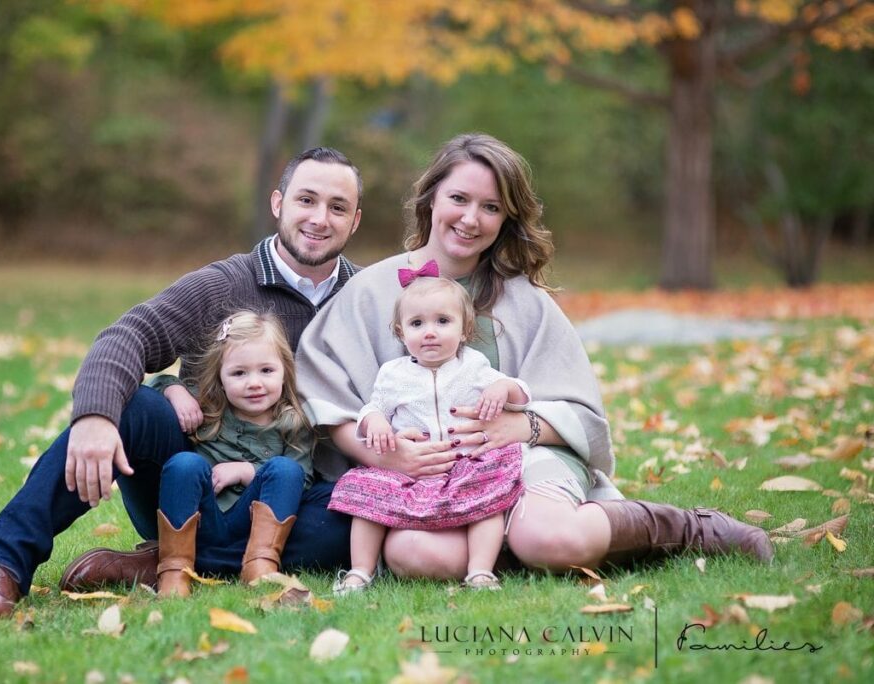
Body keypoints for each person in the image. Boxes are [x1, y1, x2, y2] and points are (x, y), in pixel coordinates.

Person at [296, 133, 773, 582]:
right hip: (426, 475)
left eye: (491, 208)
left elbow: (582, 411)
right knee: (412, 555)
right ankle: (507, 543)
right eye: (459, 199)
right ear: (431, 199)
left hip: (525, 458)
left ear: (506, 219)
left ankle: (686, 527)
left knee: (551, 540)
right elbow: (325, 396)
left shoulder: (525, 302)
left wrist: (520, 427)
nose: (470, 219)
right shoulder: (370, 291)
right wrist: (390, 457)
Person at [0, 147, 362, 620]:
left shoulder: (365, 300)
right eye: (306, 200)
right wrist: (95, 416)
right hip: (188, 482)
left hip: (291, 490)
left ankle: (168, 561)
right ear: (278, 204)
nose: (319, 218)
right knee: (137, 408)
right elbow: (128, 335)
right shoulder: (223, 284)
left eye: (337, 207)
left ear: (355, 221)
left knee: (363, 507)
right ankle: (4, 566)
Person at [329, 275, 529, 594]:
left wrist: (503, 388)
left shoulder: (474, 366)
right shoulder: (393, 374)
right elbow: (373, 407)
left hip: (466, 466)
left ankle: (480, 571)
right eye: (417, 323)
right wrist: (375, 421)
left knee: (487, 502)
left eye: (443, 321)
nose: (430, 332)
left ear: (464, 330)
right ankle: (359, 571)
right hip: (412, 473)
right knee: (369, 494)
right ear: (400, 332)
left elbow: (523, 394)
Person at [153, 311, 315, 597]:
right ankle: (175, 571)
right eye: (239, 373)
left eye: (266, 371)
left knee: (287, 470)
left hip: (254, 533)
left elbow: (303, 482)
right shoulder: (208, 406)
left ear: (285, 371)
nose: (254, 383)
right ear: (220, 377)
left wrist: (246, 471)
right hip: (204, 526)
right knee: (184, 464)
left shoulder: (293, 422)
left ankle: (261, 567)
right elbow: (155, 384)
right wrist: (176, 393)